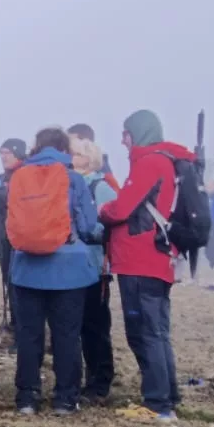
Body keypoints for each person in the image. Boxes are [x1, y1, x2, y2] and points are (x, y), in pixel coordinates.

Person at [97, 110, 197, 422]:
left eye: (127, 133)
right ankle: (167, 395)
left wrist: (103, 210)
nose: (123, 140)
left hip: (140, 259)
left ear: (139, 133)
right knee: (157, 331)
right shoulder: (164, 162)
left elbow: (123, 207)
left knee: (144, 332)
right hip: (155, 259)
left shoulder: (150, 163)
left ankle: (157, 404)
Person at [7, 127, 105, 414]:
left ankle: (27, 397)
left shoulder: (19, 176)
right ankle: (65, 398)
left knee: (29, 334)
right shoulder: (73, 179)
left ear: (36, 147)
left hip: (26, 268)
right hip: (69, 271)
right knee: (66, 335)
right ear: (64, 149)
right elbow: (88, 226)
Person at [68, 134, 118, 403]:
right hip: (74, 265)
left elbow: (110, 226)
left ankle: (100, 380)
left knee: (95, 325)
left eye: (75, 153)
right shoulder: (71, 184)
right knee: (79, 325)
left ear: (88, 160)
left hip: (95, 267)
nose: (70, 157)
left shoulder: (100, 187)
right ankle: (87, 378)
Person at [0, 140, 24, 333]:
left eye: (7, 152)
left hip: (22, 236)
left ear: (18, 152)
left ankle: (23, 323)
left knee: (20, 279)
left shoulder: (27, 174)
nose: (3, 156)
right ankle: (15, 319)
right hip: (3, 233)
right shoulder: (1, 178)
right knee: (7, 278)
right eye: (1, 152)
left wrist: (3, 198)